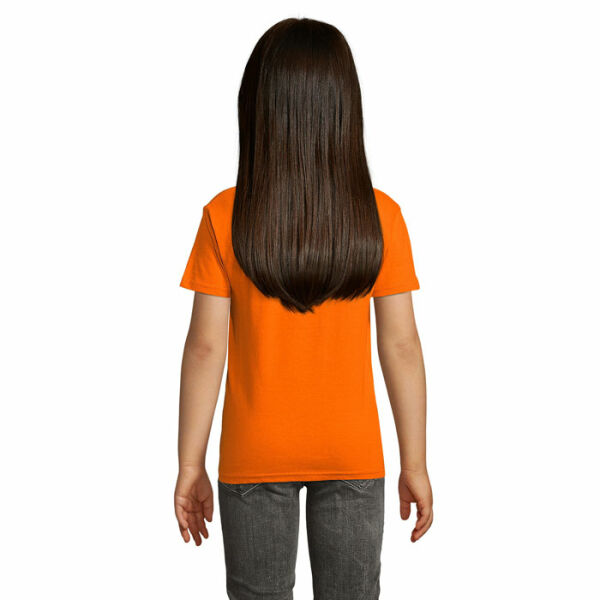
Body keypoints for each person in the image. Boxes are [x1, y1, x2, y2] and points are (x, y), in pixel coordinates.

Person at [174, 17, 433, 600]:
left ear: (257, 108)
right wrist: (414, 462)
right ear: (345, 110)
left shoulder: (224, 216)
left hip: (253, 453)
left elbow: (205, 347)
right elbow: (401, 346)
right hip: (353, 453)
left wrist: (190, 463)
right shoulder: (380, 217)